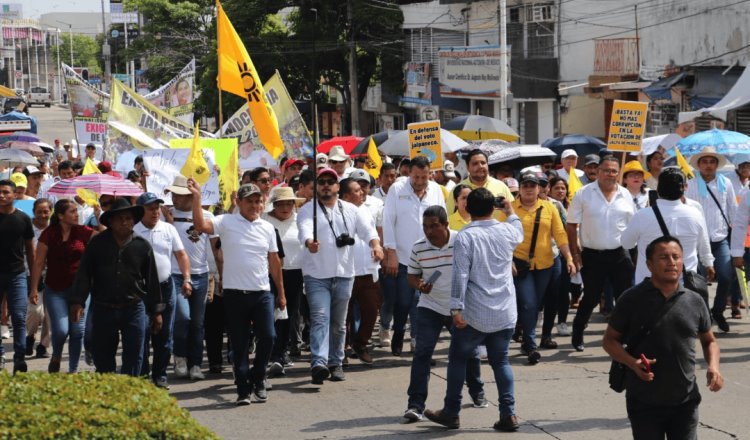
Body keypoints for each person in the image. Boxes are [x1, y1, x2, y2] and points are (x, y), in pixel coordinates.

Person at [603, 236, 723, 439]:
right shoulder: (631, 299)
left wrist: (714, 367)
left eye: (676, 256)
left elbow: (709, 340)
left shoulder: (694, 300)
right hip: (644, 402)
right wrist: (632, 363)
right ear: (649, 264)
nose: (672, 262)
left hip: (685, 401)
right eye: (664, 257)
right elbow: (609, 341)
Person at [424, 188, 523, 432]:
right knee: (501, 362)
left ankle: (451, 411)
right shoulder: (507, 230)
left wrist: (455, 307)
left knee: (458, 359)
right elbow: (519, 230)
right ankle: (508, 413)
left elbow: (461, 274)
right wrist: (509, 211)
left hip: (475, 312)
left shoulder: (465, 237)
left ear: (466, 209)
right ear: (493, 208)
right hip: (503, 309)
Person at [188, 181, 285, 405]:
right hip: (234, 294)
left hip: (261, 293)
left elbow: (274, 262)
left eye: (258, 201)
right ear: (238, 202)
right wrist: (197, 197)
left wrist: (281, 293)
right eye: (249, 201)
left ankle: (258, 377)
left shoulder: (268, 228)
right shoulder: (226, 221)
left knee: (268, 337)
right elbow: (200, 225)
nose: (254, 205)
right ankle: (243, 388)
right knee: (239, 344)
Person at [297, 168, 383, 383]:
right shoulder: (309, 210)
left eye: (330, 181)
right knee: (320, 318)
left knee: (338, 322)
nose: (326, 185)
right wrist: (310, 242)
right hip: (317, 275)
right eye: (322, 181)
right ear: (317, 187)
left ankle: (336, 362)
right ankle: (318, 362)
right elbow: (304, 229)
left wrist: (376, 245)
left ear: (337, 186)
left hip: (344, 274)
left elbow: (368, 231)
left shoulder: (351, 210)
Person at [404, 206, 487, 422]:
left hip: (459, 307)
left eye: (434, 226)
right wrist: (419, 285)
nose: (429, 231)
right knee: (422, 352)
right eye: (425, 226)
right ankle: (415, 405)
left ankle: (477, 391)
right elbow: (411, 275)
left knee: (469, 352)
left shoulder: (462, 241)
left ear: (446, 224)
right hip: (429, 306)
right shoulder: (418, 247)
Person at [70, 198, 164, 377]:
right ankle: (108, 394)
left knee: (134, 354)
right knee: (103, 358)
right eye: (119, 218)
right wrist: (78, 301)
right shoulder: (97, 244)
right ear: (110, 222)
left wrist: (157, 311)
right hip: (103, 307)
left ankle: (129, 393)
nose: (124, 222)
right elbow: (84, 274)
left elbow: (152, 280)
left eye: (128, 218)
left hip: (134, 307)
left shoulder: (142, 245)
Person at [567, 156, 636, 351]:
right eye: (606, 170)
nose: (610, 174)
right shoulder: (584, 193)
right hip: (592, 254)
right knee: (590, 297)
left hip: (620, 254)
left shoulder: (625, 194)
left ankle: (623, 335)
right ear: (598, 171)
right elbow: (571, 225)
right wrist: (575, 253)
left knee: (624, 297)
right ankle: (578, 330)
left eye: (614, 171)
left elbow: (632, 225)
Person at [382, 156, 446, 355]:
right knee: (403, 301)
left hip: (430, 257)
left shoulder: (436, 190)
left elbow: (443, 221)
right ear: (409, 173)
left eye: (423, 177)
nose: (419, 182)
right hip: (403, 257)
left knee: (422, 300)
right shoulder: (396, 190)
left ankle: (418, 340)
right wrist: (390, 252)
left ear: (430, 174)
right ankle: (399, 330)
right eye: (416, 177)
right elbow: (388, 221)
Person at [512, 173, 575, 364]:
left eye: (533, 185)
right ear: (520, 188)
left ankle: (525, 338)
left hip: (545, 265)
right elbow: (498, 236)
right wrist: (507, 261)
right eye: (525, 185)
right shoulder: (510, 208)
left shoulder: (549, 207)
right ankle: (531, 345)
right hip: (519, 266)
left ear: (539, 189)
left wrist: (569, 258)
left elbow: (560, 234)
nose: (529, 189)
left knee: (535, 304)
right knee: (530, 303)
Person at [29, 199, 97, 373]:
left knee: (77, 331)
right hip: (55, 289)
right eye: (72, 211)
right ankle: (56, 354)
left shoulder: (83, 231)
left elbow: (106, 237)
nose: (77, 214)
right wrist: (34, 288)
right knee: (61, 330)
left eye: (77, 211)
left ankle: (72, 370)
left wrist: (99, 217)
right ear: (60, 216)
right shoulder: (49, 234)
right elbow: (38, 262)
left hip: (80, 291)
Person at [164, 175, 221, 379]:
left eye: (180, 194)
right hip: (175, 275)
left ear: (192, 196)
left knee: (197, 322)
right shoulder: (166, 214)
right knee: (182, 317)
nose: (175, 198)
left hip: (201, 274)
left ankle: (195, 364)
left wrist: (219, 274)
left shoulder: (206, 215)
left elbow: (216, 248)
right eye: (173, 194)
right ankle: (180, 357)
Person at [134, 192, 193, 388]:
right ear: (141, 211)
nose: (155, 212)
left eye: (157, 208)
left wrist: (186, 279)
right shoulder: (133, 231)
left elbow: (181, 254)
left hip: (166, 287)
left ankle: (160, 375)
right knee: (141, 331)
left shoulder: (168, 229)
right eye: (150, 208)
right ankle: (142, 375)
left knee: (164, 334)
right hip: (140, 290)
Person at [621, 167, 714, 285]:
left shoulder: (643, 215)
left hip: (649, 285)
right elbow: (704, 246)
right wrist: (709, 264)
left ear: (658, 189)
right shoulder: (696, 214)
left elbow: (626, 243)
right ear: (684, 188)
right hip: (684, 285)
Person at [685, 147, 738, 332]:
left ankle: (718, 311)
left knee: (725, 276)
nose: (708, 165)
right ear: (698, 165)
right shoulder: (690, 183)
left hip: (720, 238)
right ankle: (703, 315)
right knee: (698, 281)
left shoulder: (726, 183)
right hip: (697, 240)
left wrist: (738, 235)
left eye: (712, 162)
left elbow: (733, 209)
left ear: (717, 164)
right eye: (705, 162)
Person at [263, 186, 305, 374]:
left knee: (289, 313)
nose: (286, 207)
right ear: (274, 204)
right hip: (268, 273)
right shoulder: (264, 221)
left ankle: (281, 351)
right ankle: (269, 349)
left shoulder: (300, 221)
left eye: (289, 203)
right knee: (269, 313)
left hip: (294, 272)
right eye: (281, 203)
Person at [338, 178, 381, 365]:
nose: (362, 193)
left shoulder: (366, 209)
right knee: (343, 315)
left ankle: (360, 343)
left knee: (371, 310)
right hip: (346, 271)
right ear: (346, 196)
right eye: (357, 191)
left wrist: (378, 247)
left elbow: (372, 233)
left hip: (368, 269)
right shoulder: (337, 212)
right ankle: (341, 350)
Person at [0, 180, 35, 373]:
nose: (2, 195)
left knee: (20, 317)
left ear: (15, 195)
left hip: (17, 274)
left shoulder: (23, 219)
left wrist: (34, 282)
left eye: (6, 192)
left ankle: (20, 357)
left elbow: (31, 251)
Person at [447, 149, 514, 215]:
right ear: (467, 167)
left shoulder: (501, 186)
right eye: (475, 163)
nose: (480, 166)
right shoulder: (457, 190)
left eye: (483, 163)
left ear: (487, 165)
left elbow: (513, 212)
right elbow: (449, 217)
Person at [25, 198, 52, 359]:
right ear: (34, 211)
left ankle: (43, 345)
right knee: (35, 312)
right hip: (31, 274)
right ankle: (30, 335)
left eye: (46, 211)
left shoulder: (56, 229)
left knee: (51, 315)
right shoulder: (27, 228)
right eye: (39, 211)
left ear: (51, 212)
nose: (43, 215)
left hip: (53, 275)